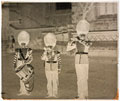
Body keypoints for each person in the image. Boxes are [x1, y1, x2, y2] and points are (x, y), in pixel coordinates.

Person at [66, 19, 92, 99]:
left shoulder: (88, 42)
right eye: (81, 35)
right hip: (77, 61)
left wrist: (78, 40)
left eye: (83, 35)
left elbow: (86, 45)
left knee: (85, 78)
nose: (82, 36)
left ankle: (85, 95)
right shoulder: (76, 42)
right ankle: (80, 94)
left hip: (85, 61)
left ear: (85, 36)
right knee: (79, 78)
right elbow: (68, 49)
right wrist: (70, 42)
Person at [13, 31, 34, 96]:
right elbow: (15, 58)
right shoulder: (17, 50)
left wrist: (27, 62)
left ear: (26, 43)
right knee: (21, 78)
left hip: (25, 65)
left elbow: (31, 58)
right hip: (19, 64)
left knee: (26, 77)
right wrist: (14, 65)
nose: (23, 45)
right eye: (22, 44)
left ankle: (27, 91)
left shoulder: (29, 50)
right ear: (20, 44)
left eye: (24, 44)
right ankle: (22, 90)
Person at [41, 33, 61, 98]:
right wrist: (45, 52)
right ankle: (49, 93)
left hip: (55, 68)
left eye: (50, 47)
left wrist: (59, 68)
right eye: (48, 47)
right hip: (47, 68)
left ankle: (55, 93)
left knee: (55, 81)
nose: (49, 48)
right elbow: (42, 58)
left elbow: (59, 61)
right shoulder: (45, 53)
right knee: (49, 81)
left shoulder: (56, 52)